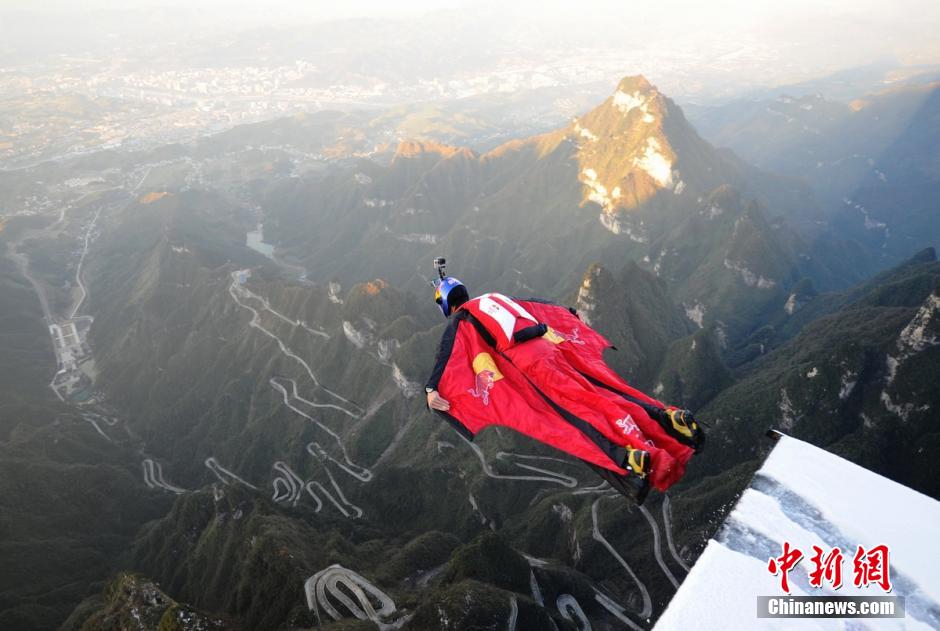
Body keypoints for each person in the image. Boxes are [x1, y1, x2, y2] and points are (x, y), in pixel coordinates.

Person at [425, 270, 703, 502]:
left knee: (575, 419)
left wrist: (431, 389)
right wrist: (569, 313)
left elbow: (447, 354)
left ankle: (629, 458)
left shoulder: (461, 318)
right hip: (552, 348)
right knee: (604, 392)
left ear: (447, 305)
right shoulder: (496, 298)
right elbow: (539, 306)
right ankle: (665, 418)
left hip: (533, 365)